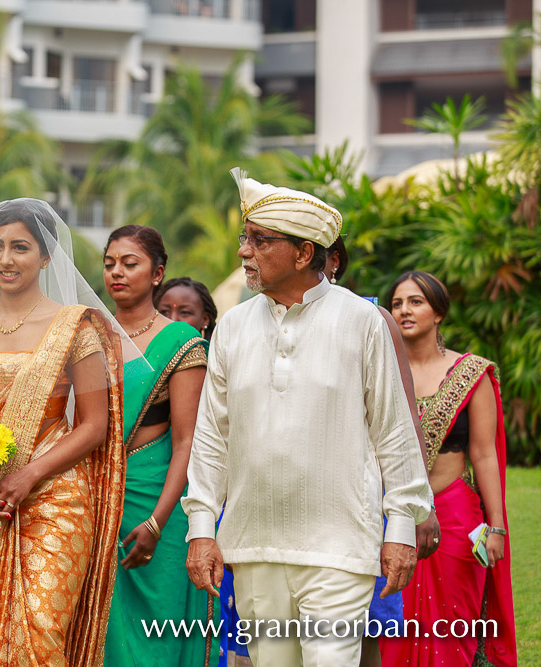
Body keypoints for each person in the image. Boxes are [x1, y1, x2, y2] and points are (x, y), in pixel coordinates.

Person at [183, 169, 433, 666]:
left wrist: (402, 528)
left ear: (303, 253)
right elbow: (213, 437)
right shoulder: (232, 327)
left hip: (339, 548)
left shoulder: (361, 321)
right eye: (244, 238)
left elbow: (393, 432)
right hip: (254, 547)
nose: (243, 252)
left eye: (259, 240)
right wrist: (202, 527)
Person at [0, 198, 139, 666]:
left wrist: (29, 474)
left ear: (46, 256)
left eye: (20, 247)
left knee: (42, 628)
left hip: (56, 496)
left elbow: (95, 426)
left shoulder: (74, 328)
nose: (5, 259)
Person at [381, 271, 516, 667]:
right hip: (392, 515)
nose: (405, 310)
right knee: (391, 627)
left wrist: (497, 527)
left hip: (456, 517)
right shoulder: (379, 370)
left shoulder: (471, 374)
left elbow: (484, 454)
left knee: (452, 628)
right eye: (397, 303)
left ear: (438, 312)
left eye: (416, 302)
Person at [322, 240, 442, 667]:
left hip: (362, 498)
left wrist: (415, 507)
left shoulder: (370, 319)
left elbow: (401, 416)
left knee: (365, 631)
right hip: (288, 512)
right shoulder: (252, 323)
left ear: (331, 261)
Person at [102, 227, 216, 666]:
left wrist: (156, 521)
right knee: (104, 630)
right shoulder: (88, 336)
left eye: (130, 263)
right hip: (95, 502)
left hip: (157, 502)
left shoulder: (181, 344)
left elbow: (189, 441)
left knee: (160, 632)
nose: (117, 272)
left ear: (157, 273)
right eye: (110, 263)